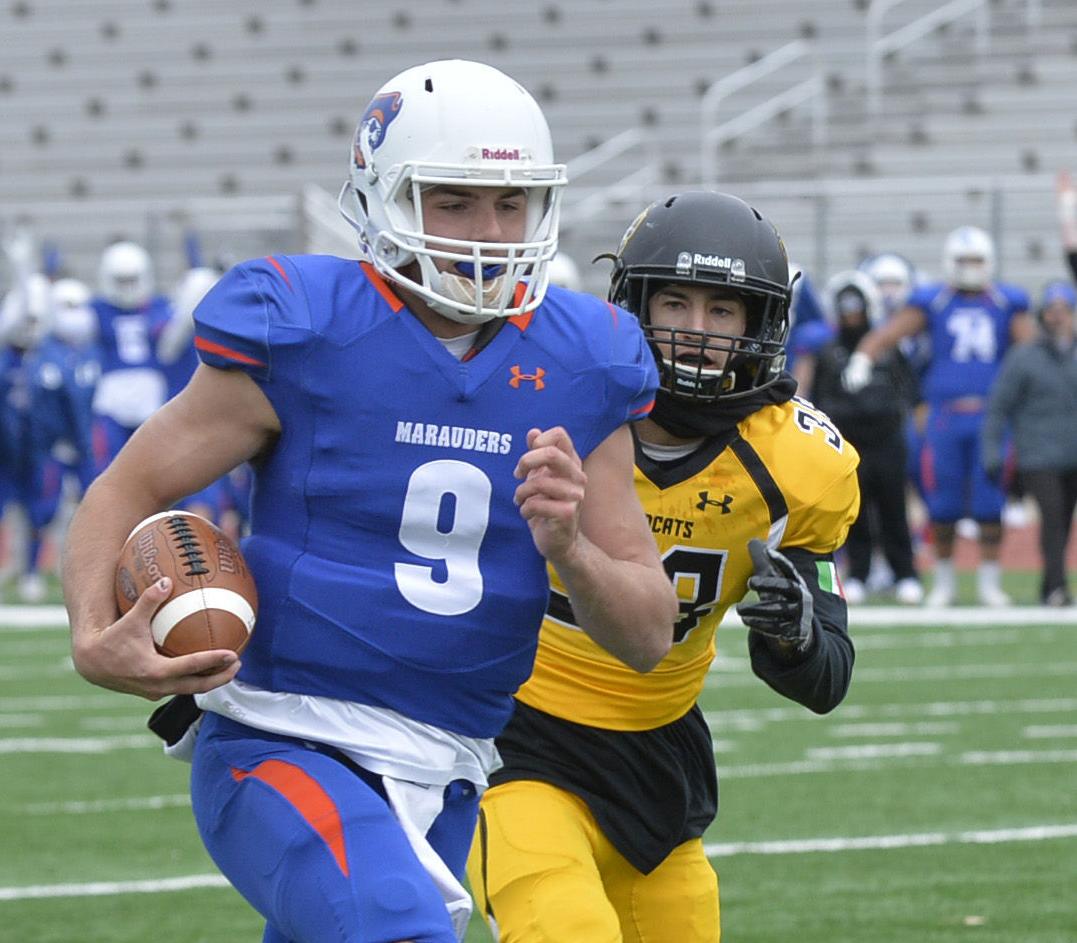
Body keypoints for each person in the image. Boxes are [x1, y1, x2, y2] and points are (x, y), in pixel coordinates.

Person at [62, 59, 678, 943]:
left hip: (455, 761)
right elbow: (127, 486)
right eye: (454, 201)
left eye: (510, 203)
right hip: (284, 735)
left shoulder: (588, 362)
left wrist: (571, 547)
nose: (488, 231)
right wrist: (92, 634)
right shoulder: (307, 326)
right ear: (382, 195)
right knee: (393, 925)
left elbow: (647, 634)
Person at [467, 190, 860, 942]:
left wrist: (794, 634)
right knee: (565, 925)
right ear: (634, 306)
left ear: (760, 325)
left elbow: (826, 678)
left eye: (722, 312)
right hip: (512, 728)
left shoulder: (798, 462)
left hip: (657, 747)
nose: (694, 332)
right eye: (674, 304)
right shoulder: (549, 398)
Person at [843, 225, 1034, 606]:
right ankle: (945, 582)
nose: (969, 268)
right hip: (944, 416)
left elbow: (1030, 351)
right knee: (943, 503)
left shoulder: (1005, 302)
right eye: (963, 260)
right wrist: (863, 356)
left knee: (989, 503)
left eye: (976, 260)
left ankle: (988, 584)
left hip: (990, 415)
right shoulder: (935, 301)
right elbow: (888, 333)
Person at [802, 270, 923, 605]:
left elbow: (908, 390)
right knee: (854, 512)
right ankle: (858, 573)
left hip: (887, 441)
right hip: (849, 444)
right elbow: (820, 399)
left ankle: (905, 574)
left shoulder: (886, 349)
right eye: (846, 312)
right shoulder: (828, 352)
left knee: (894, 510)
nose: (852, 318)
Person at [983, 280, 1077, 606]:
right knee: (1052, 517)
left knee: (1065, 521)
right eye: (1052, 311)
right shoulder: (1024, 357)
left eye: (1064, 310)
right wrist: (993, 451)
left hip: (1072, 454)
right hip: (1038, 454)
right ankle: (1057, 588)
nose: (1057, 317)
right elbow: (999, 406)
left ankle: (1049, 585)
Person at [89, 240, 173, 474]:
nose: (127, 287)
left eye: (131, 280)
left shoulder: (160, 306)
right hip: (111, 393)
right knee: (107, 467)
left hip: (150, 392)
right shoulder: (96, 308)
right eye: (121, 281)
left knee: (153, 467)